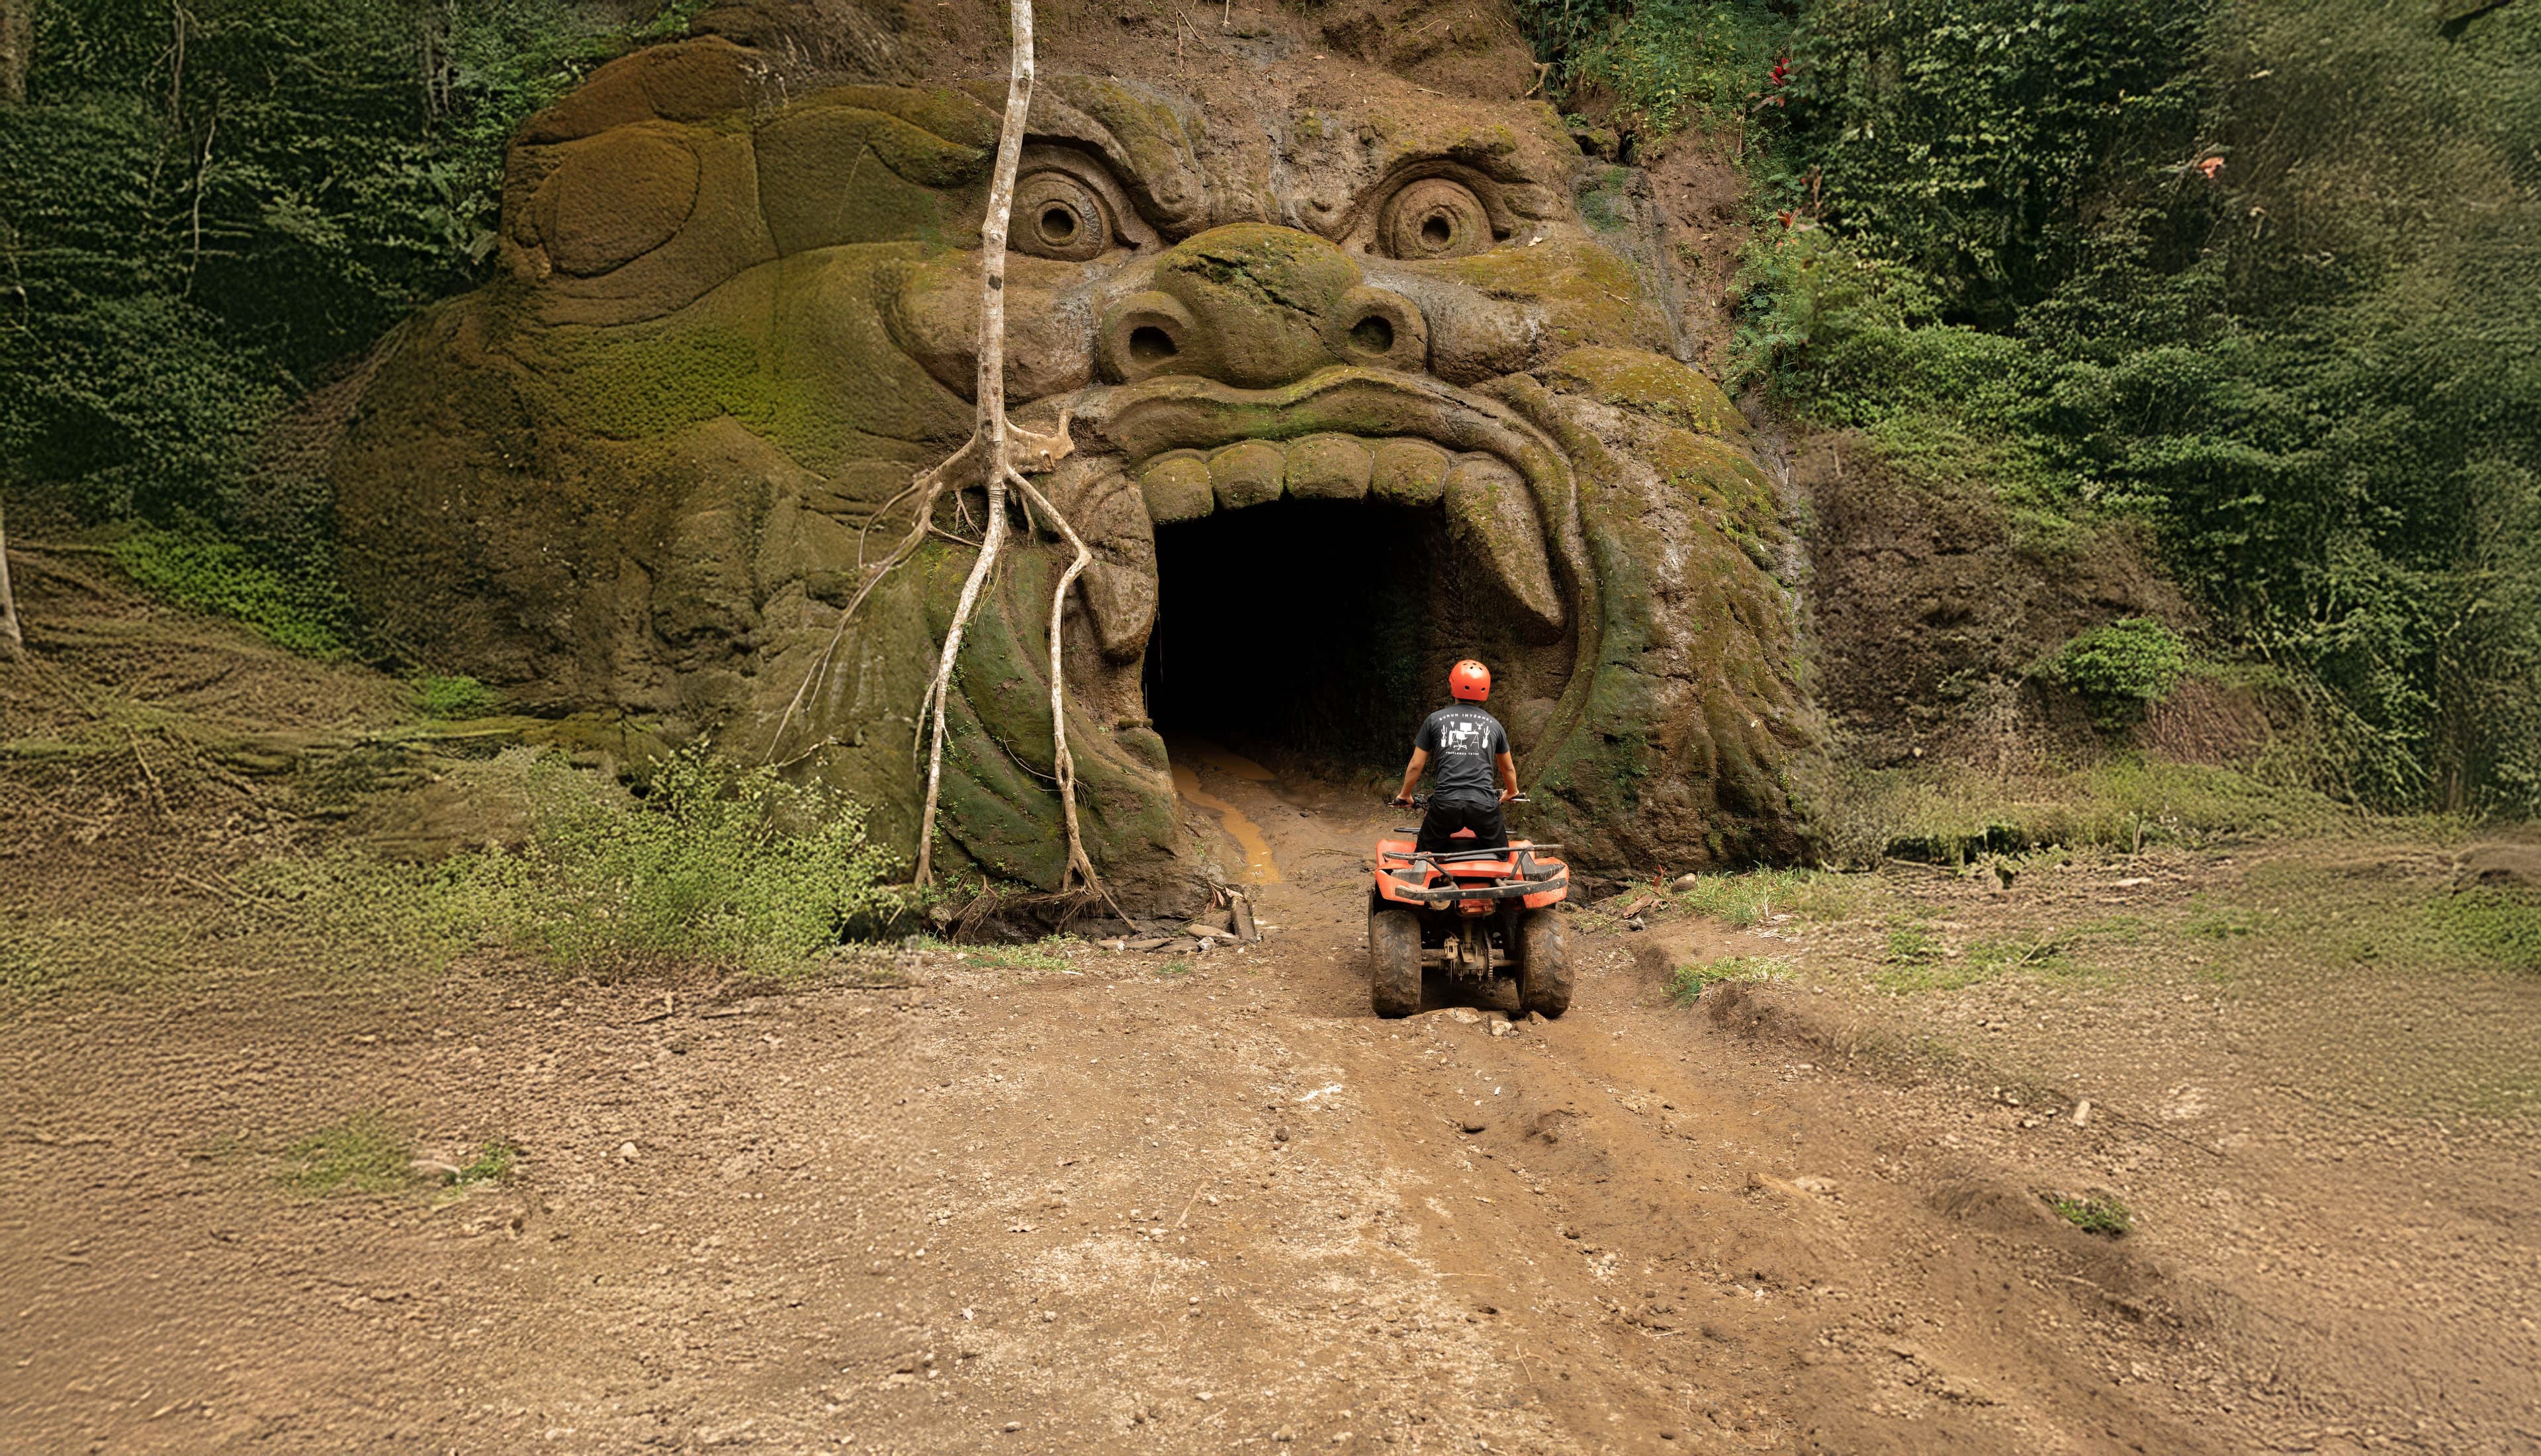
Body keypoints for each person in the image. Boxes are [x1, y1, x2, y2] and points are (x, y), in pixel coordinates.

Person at [1392, 659, 1519, 853]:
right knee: (1502, 854)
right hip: (1483, 805)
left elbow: (1416, 765)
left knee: (1423, 855)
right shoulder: (1495, 725)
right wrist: (1512, 791)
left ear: (1453, 686)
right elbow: (1507, 768)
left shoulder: (1434, 720)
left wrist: (1405, 795)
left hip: (1446, 805)